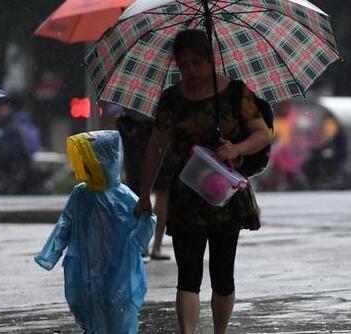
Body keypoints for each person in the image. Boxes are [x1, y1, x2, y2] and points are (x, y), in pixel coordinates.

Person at [134, 29, 271, 334]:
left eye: (197, 63)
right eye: (184, 65)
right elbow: (156, 147)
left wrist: (236, 148)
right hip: (187, 196)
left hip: (226, 195)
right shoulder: (172, 99)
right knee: (188, 274)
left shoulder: (236, 93)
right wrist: (144, 194)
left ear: (211, 61)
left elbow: (263, 133)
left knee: (223, 274)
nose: (191, 71)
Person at [35, 130, 156, 334]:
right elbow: (66, 223)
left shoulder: (122, 195)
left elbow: (147, 219)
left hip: (116, 264)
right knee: (83, 301)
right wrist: (51, 254)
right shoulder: (81, 193)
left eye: (90, 162)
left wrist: (134, 246)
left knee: (114, 303)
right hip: (84, 263)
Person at [116, 113, 172, 260]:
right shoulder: (164, 99)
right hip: (159, 134)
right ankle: (155, 248)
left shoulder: (130, 99)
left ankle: (142, 246)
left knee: (138, 196)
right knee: (161, 195)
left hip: (135, 134)